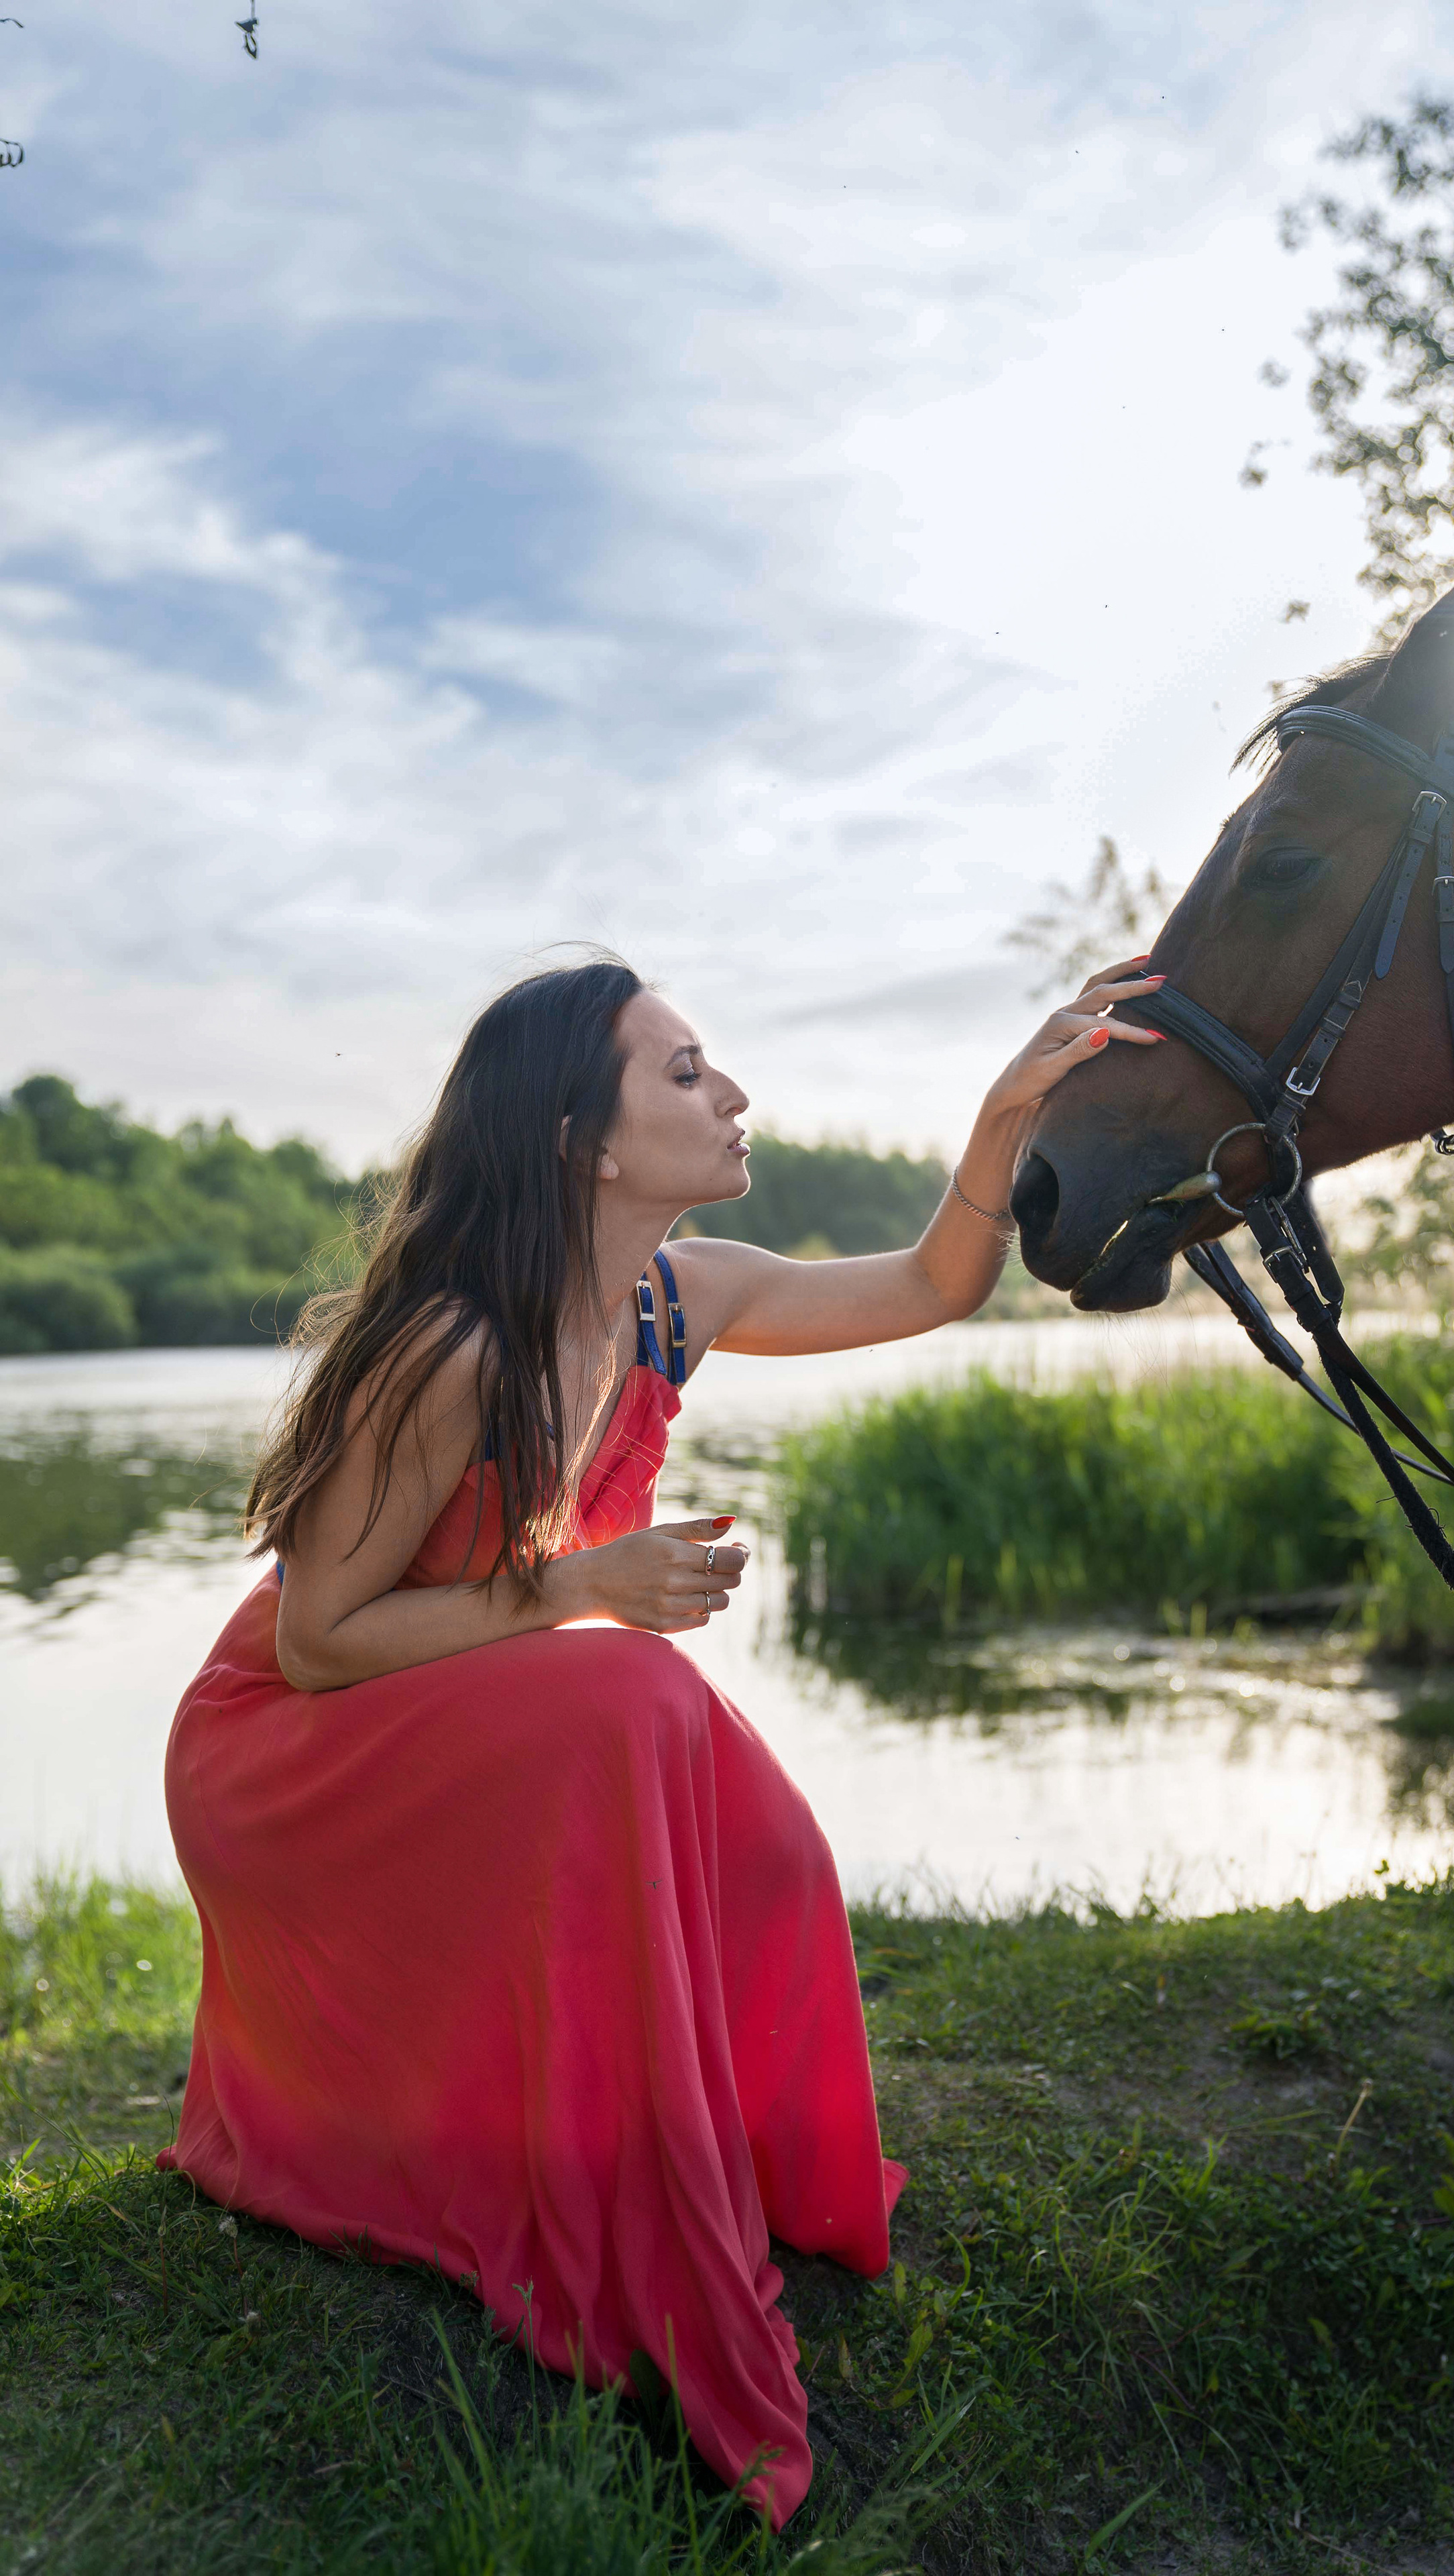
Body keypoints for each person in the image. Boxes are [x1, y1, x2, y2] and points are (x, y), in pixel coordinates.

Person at [160, 951, 1162, 2524]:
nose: (734, 1091)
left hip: (457, 1712)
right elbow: (315, 1642)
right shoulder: (449, 1351)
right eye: (686, 1071)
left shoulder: (669, 1299)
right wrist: (582, 1585)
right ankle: (620, 2214)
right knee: (633, 1694)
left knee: (766, 1842)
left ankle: (729, 2173)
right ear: (589, 1142)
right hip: (294, 1756)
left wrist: (1000, 1117)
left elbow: (926, 1286)